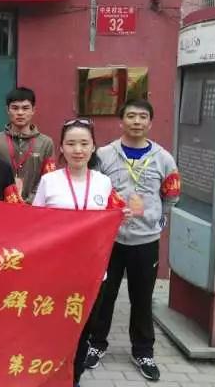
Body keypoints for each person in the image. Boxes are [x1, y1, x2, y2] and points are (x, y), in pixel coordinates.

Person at [85, 99, 180, 382]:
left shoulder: (164, 158)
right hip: (110, 239)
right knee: (105, 295)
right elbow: (92, 188)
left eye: (142, 117)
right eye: (131, 116)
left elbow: (171, 194)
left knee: (142, 297)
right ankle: (96, 344)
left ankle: (143, 351)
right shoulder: (104, 154)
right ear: (121, 121)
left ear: (150, 122)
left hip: (145, 240)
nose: (136, 121)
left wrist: (157, 219)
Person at [32, 118, 128, 387]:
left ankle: (73, 379)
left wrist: (121, 215)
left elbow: (110, 219)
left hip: (93, 273)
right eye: (71, 143)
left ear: (93, 147)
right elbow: (35, 224)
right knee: (54, 330)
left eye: (84, 143)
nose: (78, 150)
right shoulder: (49, 181)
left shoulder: (103, 182)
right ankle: (48, 376)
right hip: (56, 272)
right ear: (61, 147)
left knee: (84, 329)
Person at [0, 87, 55, 203]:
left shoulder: (46, 143)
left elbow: (49, 178)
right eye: (15, 108)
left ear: (33, 110)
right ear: (7, 110)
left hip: (35, 206)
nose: (20, 113)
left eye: (25, 108)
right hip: (1, 205)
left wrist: (30, 201)